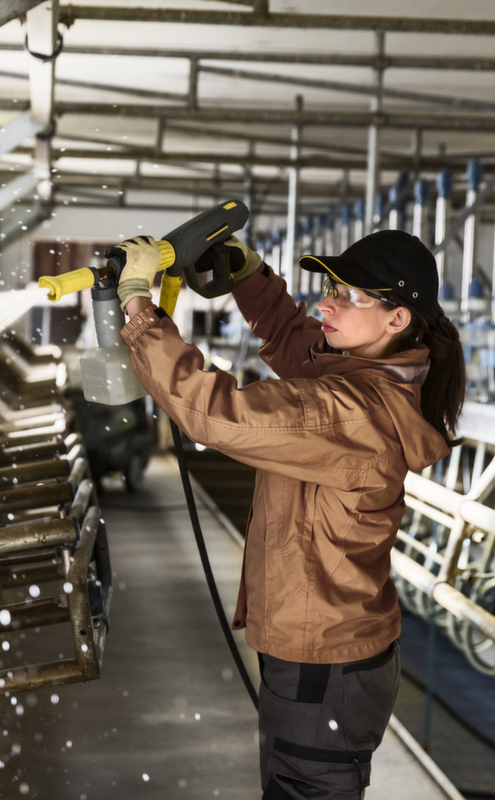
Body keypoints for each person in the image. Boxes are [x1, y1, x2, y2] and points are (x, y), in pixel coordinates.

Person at [112, 229, 465, 800]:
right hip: (324, 654)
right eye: (329, 287)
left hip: (323, 666)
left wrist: (138, 305)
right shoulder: (355, 375)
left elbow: (216, 414)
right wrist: (247, 274)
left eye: (348, 297)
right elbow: (291, 336)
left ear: (397, 319)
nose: (327, 303)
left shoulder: (353, 412)